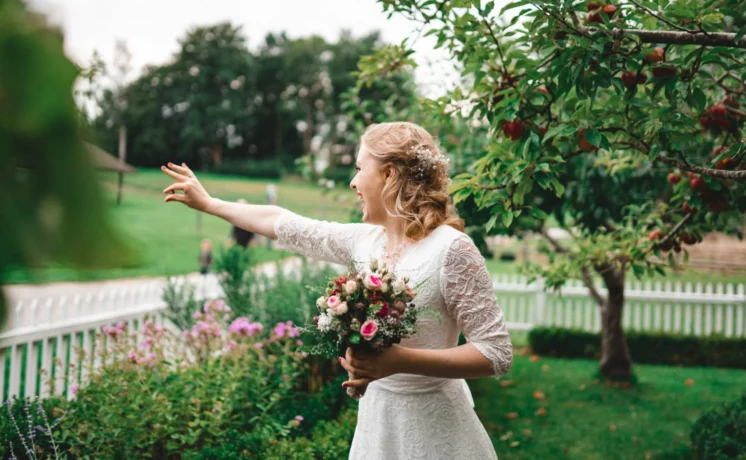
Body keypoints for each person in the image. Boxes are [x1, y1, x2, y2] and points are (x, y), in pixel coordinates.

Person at [161, 122, 513, 460]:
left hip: (438, 432)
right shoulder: (364, 242)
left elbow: (496, 353)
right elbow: (281, 222)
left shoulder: (452, 249)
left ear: (389, 175)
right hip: (376, 425)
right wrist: (209, 204)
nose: (352, 182)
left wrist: (399, 361)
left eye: (360, 169)